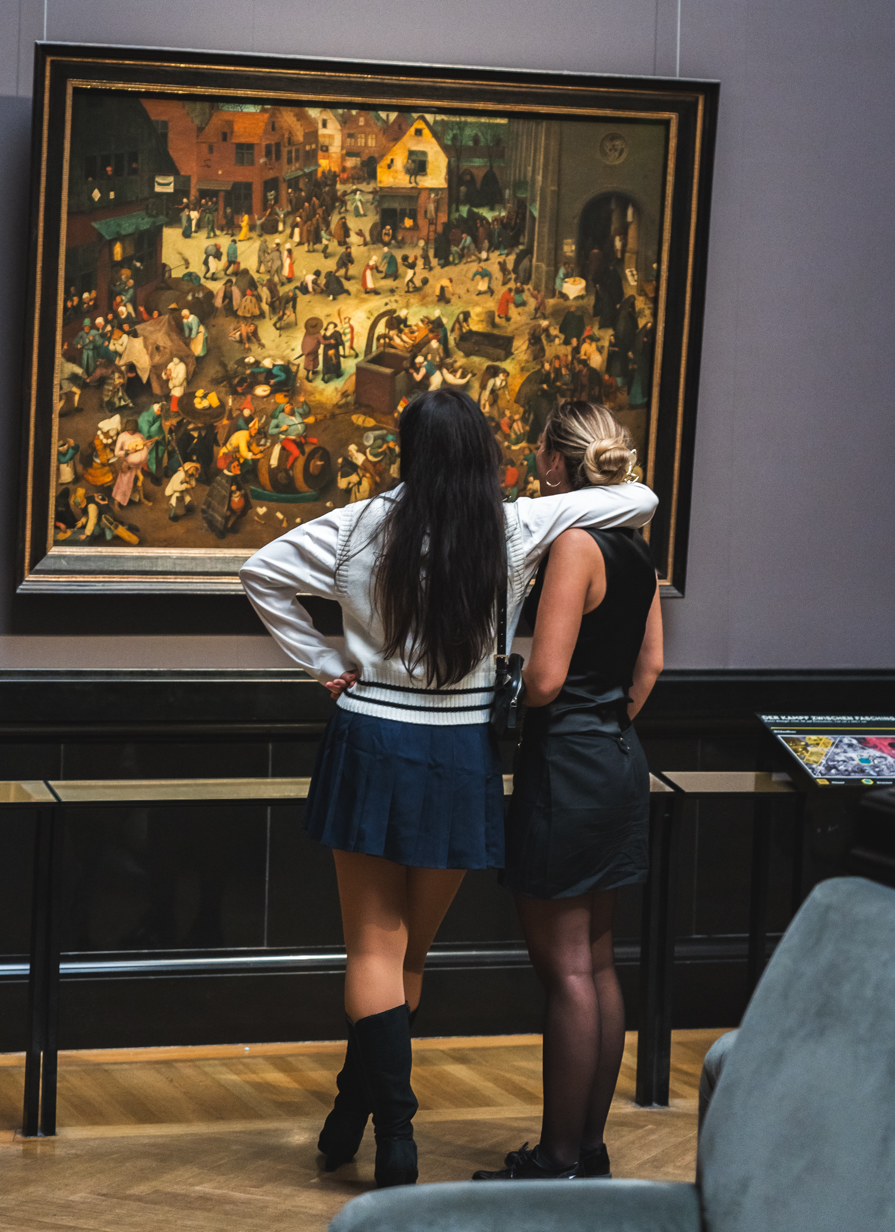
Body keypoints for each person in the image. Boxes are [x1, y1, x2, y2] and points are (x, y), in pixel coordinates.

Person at [239, 391, 657, 1190]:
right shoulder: (515, 526)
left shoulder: (359, 524)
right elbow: (638, 499)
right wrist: (589, 474)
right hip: (462, 745)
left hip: (372, 736)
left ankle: (391, 1136)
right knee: (412, 952)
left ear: (407, 451)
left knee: (375, 949)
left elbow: (260, 573)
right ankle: (360, 1116)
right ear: (484, 453)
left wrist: (324, 662)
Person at [472, 401, 663, 1184]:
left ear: (556, 463)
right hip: (619, 759)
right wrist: (606, 720)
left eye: (538, 453)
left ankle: (553, 1160)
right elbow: (649, 668)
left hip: (565, 768)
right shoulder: (636, 549)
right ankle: (588, 1149)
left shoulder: (575, 544)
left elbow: (545, 680)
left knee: (567, 973)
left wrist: (500, 686)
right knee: (599, 963)